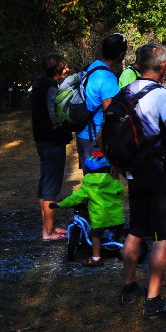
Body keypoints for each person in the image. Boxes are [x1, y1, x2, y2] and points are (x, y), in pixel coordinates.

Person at [119, 42, 166, 319]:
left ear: (138, 64)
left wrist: (118, 165)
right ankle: (153, 300)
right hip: (159, 174)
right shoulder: (164, 97)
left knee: (135, 230)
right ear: (164, 66)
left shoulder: (123, 93)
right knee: (161, 237)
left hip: (134, 173)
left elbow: (104, 134)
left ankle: (128, 287)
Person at [54, 151, 125, 267]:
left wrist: (61, 204)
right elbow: (120, 193)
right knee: (117, 232)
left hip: (99, 218)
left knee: (95, 236)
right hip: (116, 217)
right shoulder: (114, 182)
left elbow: (75, 198)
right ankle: (120, 246)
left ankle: (96, 258)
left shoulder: (88, 186)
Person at [31, 52, 73, 241]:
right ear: (57, 70)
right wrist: (67, 126)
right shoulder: (49, 88)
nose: (67, 69)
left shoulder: (40, 85)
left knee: (45, 184)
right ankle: (48, 232)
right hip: (51, 141)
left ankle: (50, 227)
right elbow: (54, 116)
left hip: (43, 140)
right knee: (50, 187)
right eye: (64, 67)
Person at [76, 33, 128, 171]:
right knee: (101, 184)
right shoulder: (107, 78)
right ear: (121, 54)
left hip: (82, 134)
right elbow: (110, 112)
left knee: (91, 183)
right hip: (96, 138)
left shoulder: (90, 67)